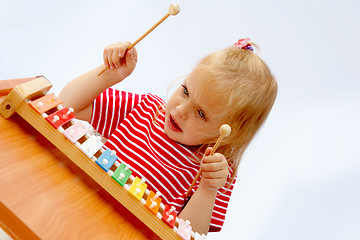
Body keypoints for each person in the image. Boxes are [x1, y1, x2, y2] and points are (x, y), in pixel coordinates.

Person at [59, 38, 278, 234]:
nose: (181, 110)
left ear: (229, 134)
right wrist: (111, 73)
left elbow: (188, 234)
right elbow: (67, 104)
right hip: (74, 209)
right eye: (185, 92)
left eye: (201, 113)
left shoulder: (215, 172)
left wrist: (208, 189)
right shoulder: (145, 110)